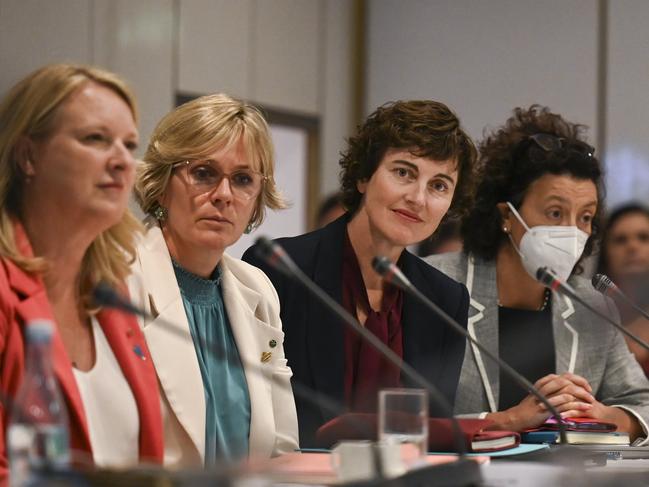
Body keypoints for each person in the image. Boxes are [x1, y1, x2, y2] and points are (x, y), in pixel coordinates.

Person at [243, 100, 477, 446]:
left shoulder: (445, 300)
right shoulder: (280, 269)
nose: (418, 198)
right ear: (364, 176)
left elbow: (433, 432)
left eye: (439, 185)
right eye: (404, 173)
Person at [426, 105, 649, 442]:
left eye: (585, 217)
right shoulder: (434, 285)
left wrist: (600, 416)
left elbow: (642, 405)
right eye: (555, 212)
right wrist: (507, 420)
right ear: (506, 215)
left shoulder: (591, 306)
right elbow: (404, 415)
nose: (572, 230)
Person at [0, 63, 163, 478]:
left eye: (130, 145)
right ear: (28, 156)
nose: (123, 162)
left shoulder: (111, 296)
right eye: (96, 139)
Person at [129, 93, 299, 468]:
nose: (223, 196)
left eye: (242, 180)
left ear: (257, 199)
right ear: (160, 183)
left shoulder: (258, 290)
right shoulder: (119, 279)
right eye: (203, 173)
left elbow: (282, 447)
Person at [598, 203, 649, 374]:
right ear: (606, 252)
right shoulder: (589, 316)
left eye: (643, 237)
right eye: (620, 240)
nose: (632, 247)